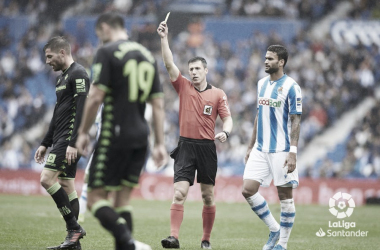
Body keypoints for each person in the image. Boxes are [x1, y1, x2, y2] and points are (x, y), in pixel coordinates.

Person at [76, 13, 166, 250]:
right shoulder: (148, 56)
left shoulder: (107, 52)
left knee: (95, 198)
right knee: (122, 201)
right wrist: (159, 143)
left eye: (99, 36)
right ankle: (127, 247)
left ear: (105, 28)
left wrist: (83, 132)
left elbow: (95, 96)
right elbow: (157, 105)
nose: (100, 41)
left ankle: (130, 243)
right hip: (141, 137)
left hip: (114, 135)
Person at [157, 20, 233, 249]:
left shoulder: (218, 94)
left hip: (207, 147)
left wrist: (226, 133)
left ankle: (206, 239)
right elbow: (169, 62)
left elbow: (228, 118)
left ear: (206, 70)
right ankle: (173, 237)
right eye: (191, 69)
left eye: (198, 69)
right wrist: (164, 38)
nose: (193, 72)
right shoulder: (183, 86)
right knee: (179, 193)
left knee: (208, 196)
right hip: (186, 146)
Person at [242, 45, 302, 250]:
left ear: (281, 62)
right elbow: (259, 115)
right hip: (260, 148)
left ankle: (282, 245)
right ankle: (274, 229)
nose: (266, 61)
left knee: (285, 197)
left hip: (282, 149)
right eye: (265, 58)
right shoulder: (261, 84)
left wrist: (292, 153)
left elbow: (295, 120)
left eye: (270, 59)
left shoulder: (292, 87)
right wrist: (250, 146)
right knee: (247, 190)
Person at [34, 36, 89, 250]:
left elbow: (84, 110)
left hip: (68, 140)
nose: (47, 61)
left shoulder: (79, 74)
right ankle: (73, 242)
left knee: (47, 179)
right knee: (66, 185)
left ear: (62, 53)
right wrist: (45, 142)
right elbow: (57, 114)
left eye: (49, 56)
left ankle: (74, 228)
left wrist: (74, 142)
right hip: (60, 139)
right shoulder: (62, 79)